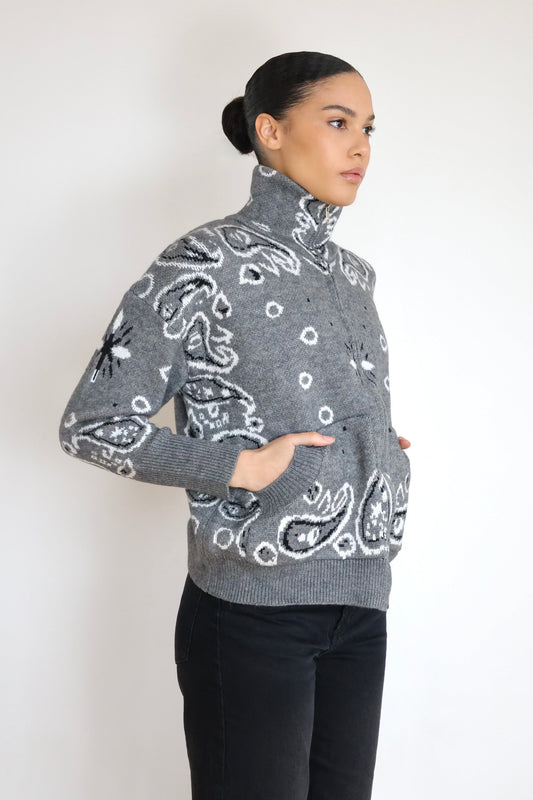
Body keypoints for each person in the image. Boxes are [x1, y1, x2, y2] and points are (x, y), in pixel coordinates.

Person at [59, 50, 412, 800]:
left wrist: (375, 449)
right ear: (269, 132)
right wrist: (241, 467)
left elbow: (302, 403)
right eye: (338, 122)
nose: (360, 146)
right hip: (251, 614)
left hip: (360, 606)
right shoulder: (201, 263)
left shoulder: (354, 276)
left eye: (368, 128)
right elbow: (93, 422)